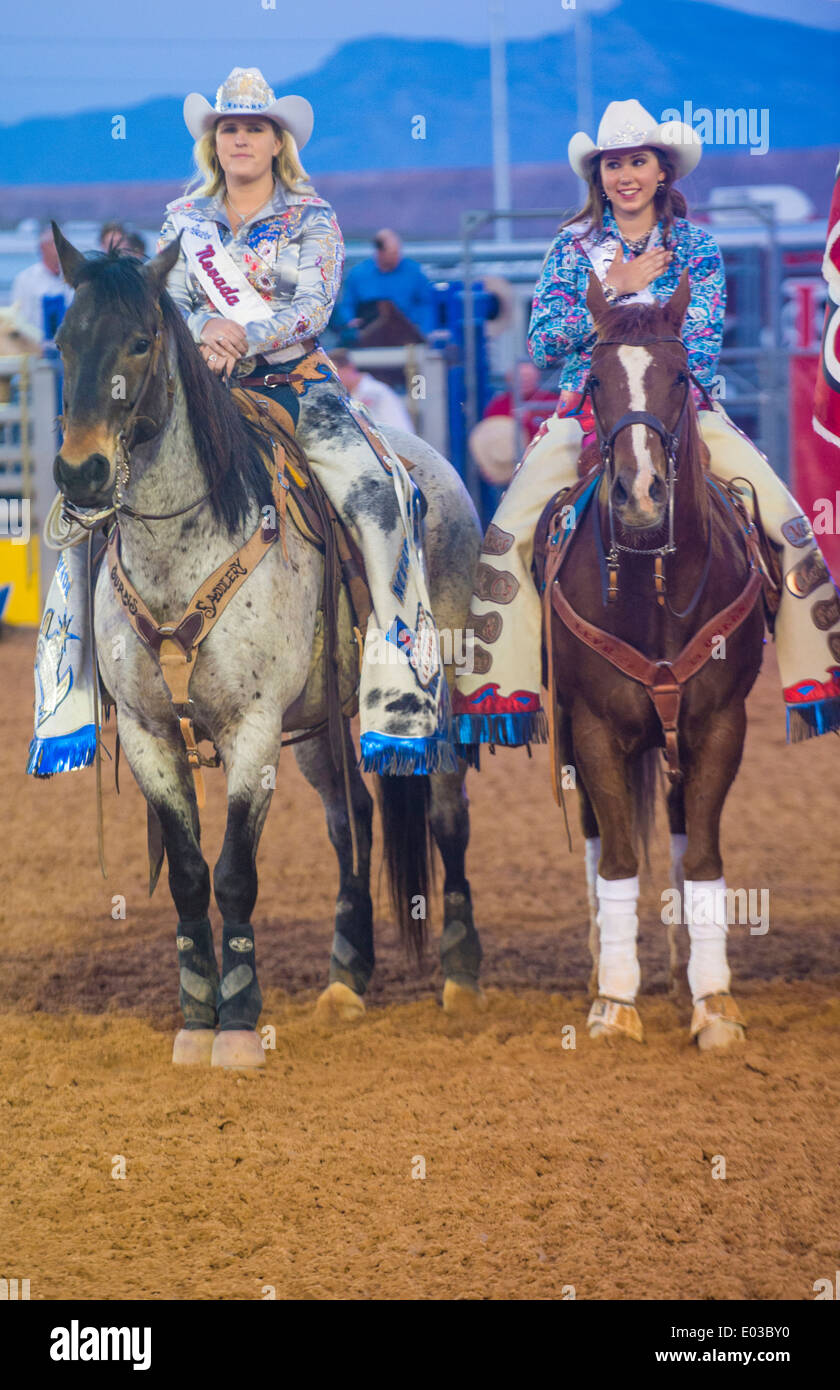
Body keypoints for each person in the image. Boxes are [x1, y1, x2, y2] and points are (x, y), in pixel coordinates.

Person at [28, 67, 454, 782]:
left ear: (277, 140)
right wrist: (205, 331)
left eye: (254, 127)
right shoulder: (182, 221)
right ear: (214, 142)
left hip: (295, 387)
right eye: (229, 128)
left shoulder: (313, 217)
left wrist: (241, 336)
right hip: (197, 391)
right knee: (86, 507)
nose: (241, 139)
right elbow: (159, 305)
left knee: (380, 493)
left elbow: (315, 307)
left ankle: (397, 680)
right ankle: (70, 685)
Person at [453, 98, 840, 749]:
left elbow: (704, 346)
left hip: (682, 413)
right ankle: (504, 689)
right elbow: (543, 343)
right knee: (507, 534)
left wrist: (638, 328)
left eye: (637, 161)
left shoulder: (697, 248)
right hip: (584, 414)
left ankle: (813, 675)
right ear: (597, 175)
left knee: (786, 521)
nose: (624, 174)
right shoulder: (572, 249)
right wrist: (611, 290)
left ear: (663, 170)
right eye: (612, 164)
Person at [333, 228, 434, 339]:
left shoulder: (415, 272)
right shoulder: (358, 274)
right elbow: (347, 304)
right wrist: (349, 321)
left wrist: (424, 331)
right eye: (392, 253)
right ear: (380, 252)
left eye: (398, 252)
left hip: (408, 338)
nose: (397, 257)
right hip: (369, 337)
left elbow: (426, 304)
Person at [11, 225, 73, 343]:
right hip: (36, 350)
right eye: (57, 244)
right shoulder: (25, 280)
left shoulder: (76, 279)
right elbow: (18, 320)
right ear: (43, 248)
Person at [328, 347, 413, 430]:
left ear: (349, 368)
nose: (332, 378)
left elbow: (401, 430)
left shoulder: (377, 392)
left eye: (334, 372)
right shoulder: (340, 396)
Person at [483, 360, 557, 444]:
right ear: (509, 379)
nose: (525, 380)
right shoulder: (499, 405)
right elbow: (490, 434)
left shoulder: (551, 400)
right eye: (520, 378)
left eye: (529, 377)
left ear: (537, 377)